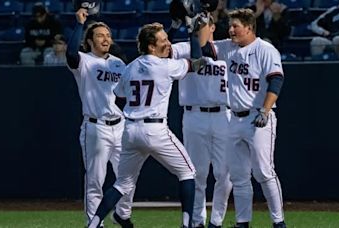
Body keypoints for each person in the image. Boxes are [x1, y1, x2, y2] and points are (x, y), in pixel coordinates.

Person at [88, 22, 207, 228]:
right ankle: (187, 224)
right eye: (163, 41)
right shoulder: (166, 66)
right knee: (188, 173)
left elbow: (118, 94)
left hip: (131, 129)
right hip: (155, 129)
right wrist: (192, 34)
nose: (169, 44)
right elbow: (197, 62)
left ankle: (93, 224)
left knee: (122, 183)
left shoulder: (131, 66)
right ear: (151, 46)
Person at [212, 8, 286, 228]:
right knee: (239, 176)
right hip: (234, 118)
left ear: (249, 27)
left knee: (264, 171)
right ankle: (242, 222)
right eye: (230, 25)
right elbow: (204, 46)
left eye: (236, 26)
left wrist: (265, 110)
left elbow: (276, 81)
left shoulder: (265, 49)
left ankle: (278, 221)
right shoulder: (228, 47)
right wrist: (202, 22)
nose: (231, 29)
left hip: (257, 117)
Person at [65, 8, 135, 228]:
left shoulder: (118, 62)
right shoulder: (84, 61)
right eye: (100, 35)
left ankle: (122, 215)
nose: (106, 38)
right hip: (96, 127)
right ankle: (95, 223)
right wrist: (79, 24)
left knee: (127, 177)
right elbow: (70, 55)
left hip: (120, 125)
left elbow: (126, 94)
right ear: (89, 41)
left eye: (108, 35)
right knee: (95, 180)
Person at [171, 15, 232, 228]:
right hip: (194, 115)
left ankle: (216, 222)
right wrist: (178, 26)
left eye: (202, 24)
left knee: (225, 173)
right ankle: (197, 221)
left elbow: (208, 50)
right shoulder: (184, 47)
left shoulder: (225, 47)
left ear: (213, 27)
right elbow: (164, 52)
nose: (197, 27)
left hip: (223, 115)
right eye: (194, 24)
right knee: (197, 172)